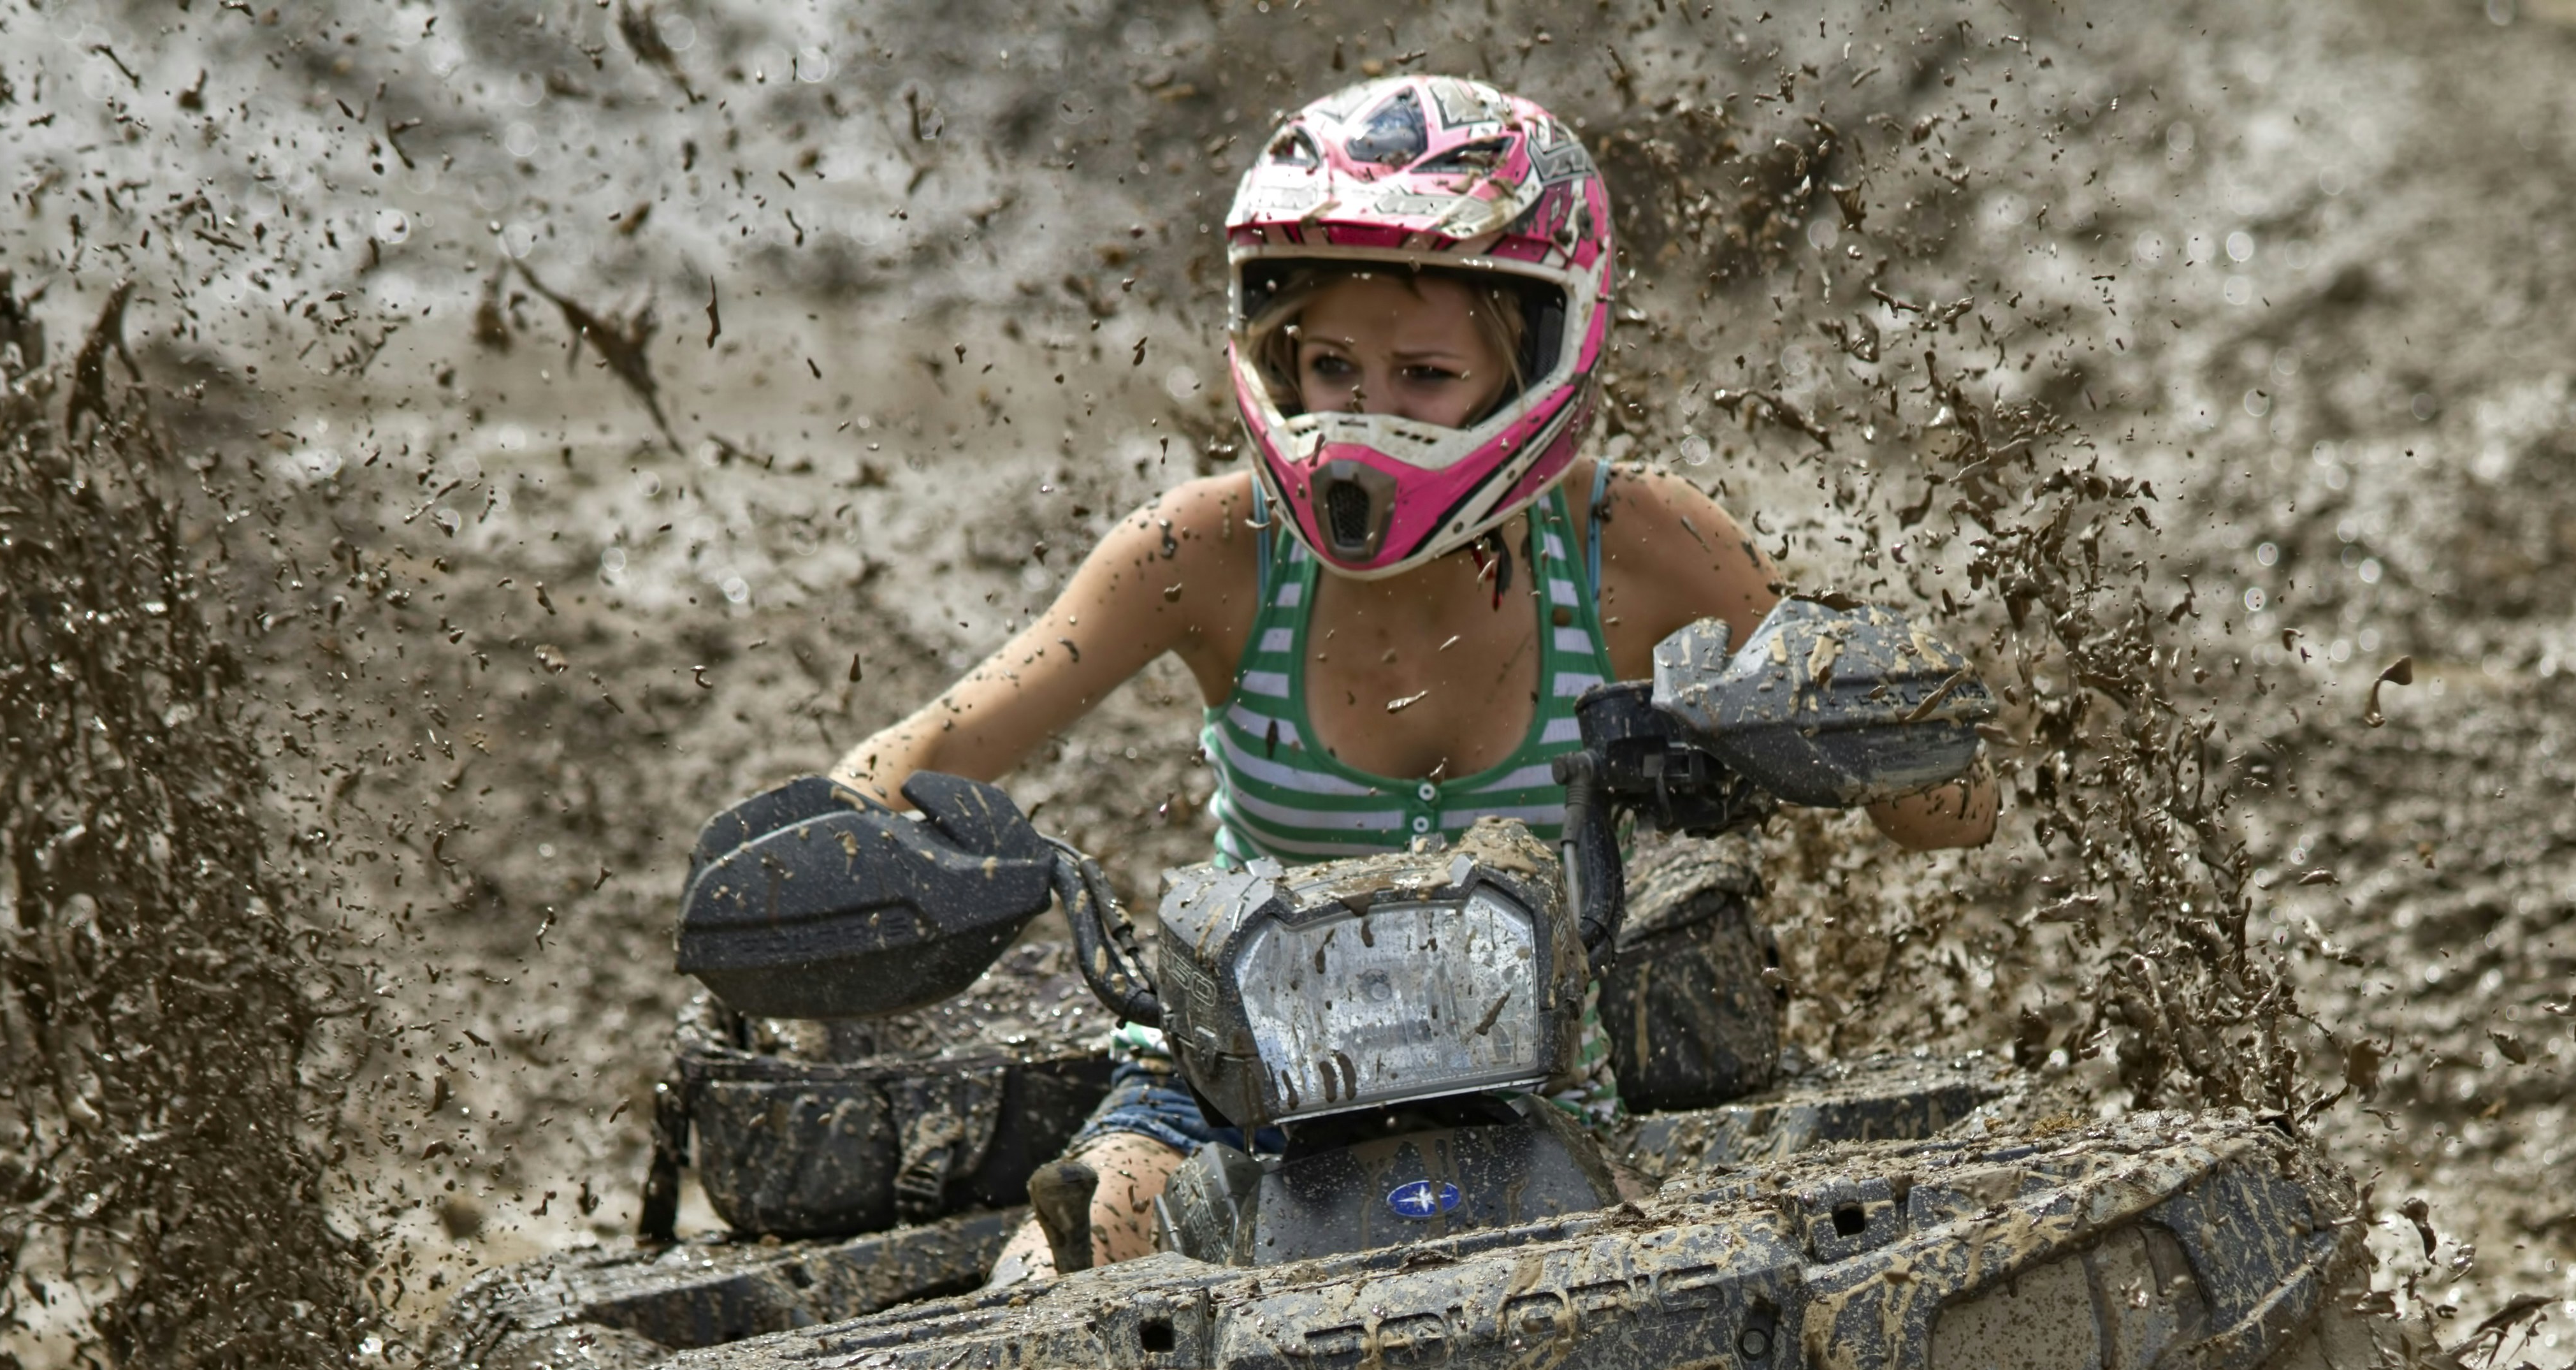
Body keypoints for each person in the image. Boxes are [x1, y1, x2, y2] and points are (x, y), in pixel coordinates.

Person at [831, 74, 1996, 1277]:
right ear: (1277, 357)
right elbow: (922, 752)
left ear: (1539, 357)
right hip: (1223, 1093)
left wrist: (1873, 728)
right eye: (1332, 365)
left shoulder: (1644, 547)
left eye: (1426, 377)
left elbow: (1945, 815)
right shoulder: (1202, 555)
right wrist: (823, 872)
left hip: (1550, 1093)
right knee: (1068, 1273)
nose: (1364, 420)